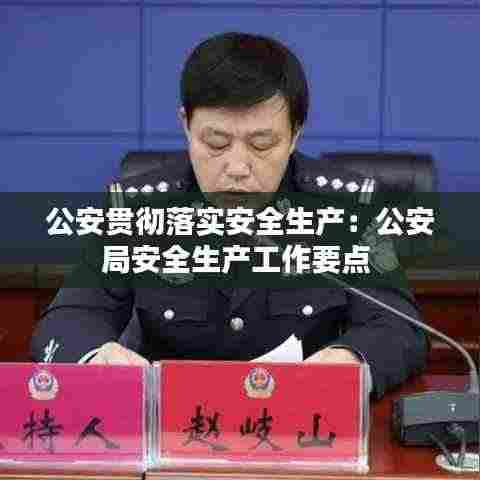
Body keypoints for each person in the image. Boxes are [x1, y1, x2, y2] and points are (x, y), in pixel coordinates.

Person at [31, 32, 428, 399]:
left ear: (295, 134)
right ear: (186, 125)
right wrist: (96, 356)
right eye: (216, 143)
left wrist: (352, 359)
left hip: (302, 422)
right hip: (171, 426)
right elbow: (69, 318)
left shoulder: (346, 209)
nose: (237, 167)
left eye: (261, 144)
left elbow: (399, 327)